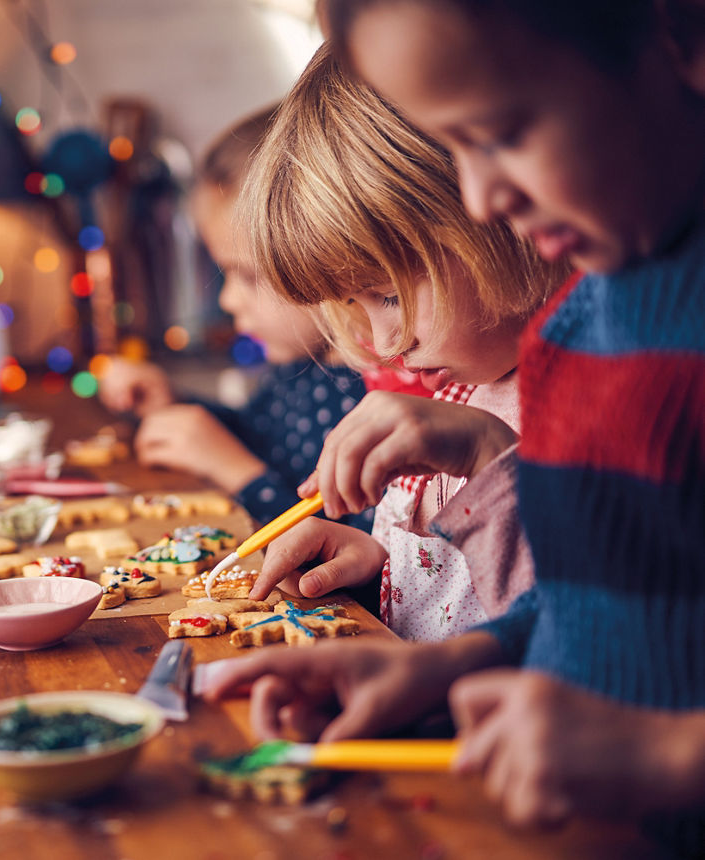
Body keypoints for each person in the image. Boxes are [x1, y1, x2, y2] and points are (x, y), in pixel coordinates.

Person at [201, 1, 705, 850]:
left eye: (502, 134)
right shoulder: (581, 326)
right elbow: (599, 607)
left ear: (683, 38)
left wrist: (669, 757)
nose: (481, 198)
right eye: (456, 148)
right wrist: (446, 665)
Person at [236, 45, 566, 640]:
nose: (384, 345)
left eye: (388, 295)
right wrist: (376, 563)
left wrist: (489, 457)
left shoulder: (582, 404)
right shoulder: (461, 386)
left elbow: (582, 632)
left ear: (495, 217)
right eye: (353, 304)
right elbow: (460, 590)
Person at [99, 105, 374, 531]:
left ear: (334, 259)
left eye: (247, 275)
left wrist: (242, 477)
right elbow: (259, 438)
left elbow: (351, 552)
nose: (228, 300)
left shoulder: (372, 401)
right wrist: (173, 405)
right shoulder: (300, 368)